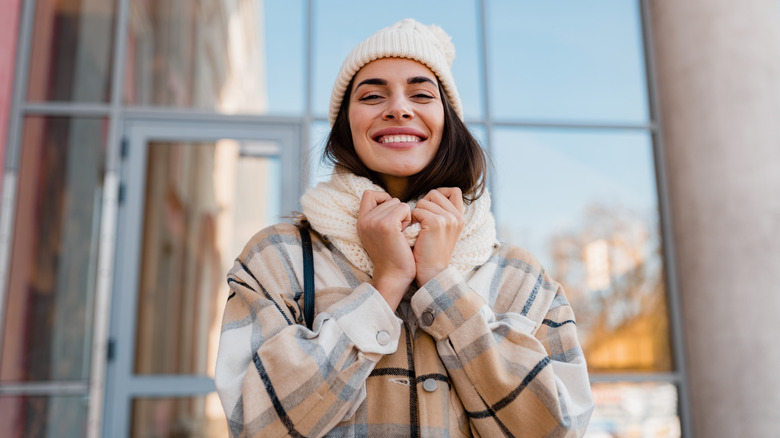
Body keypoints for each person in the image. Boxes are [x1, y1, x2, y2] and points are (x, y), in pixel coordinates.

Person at [215, 18, 594, 437]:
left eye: (421, 94)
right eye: (373, 95)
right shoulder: (277, 257)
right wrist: (387, 284)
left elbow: (558, 429)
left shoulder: (521, 277)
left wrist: (440, 284)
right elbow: (254, 424)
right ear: (347, 125)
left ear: (448, 121)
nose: (398, 108)